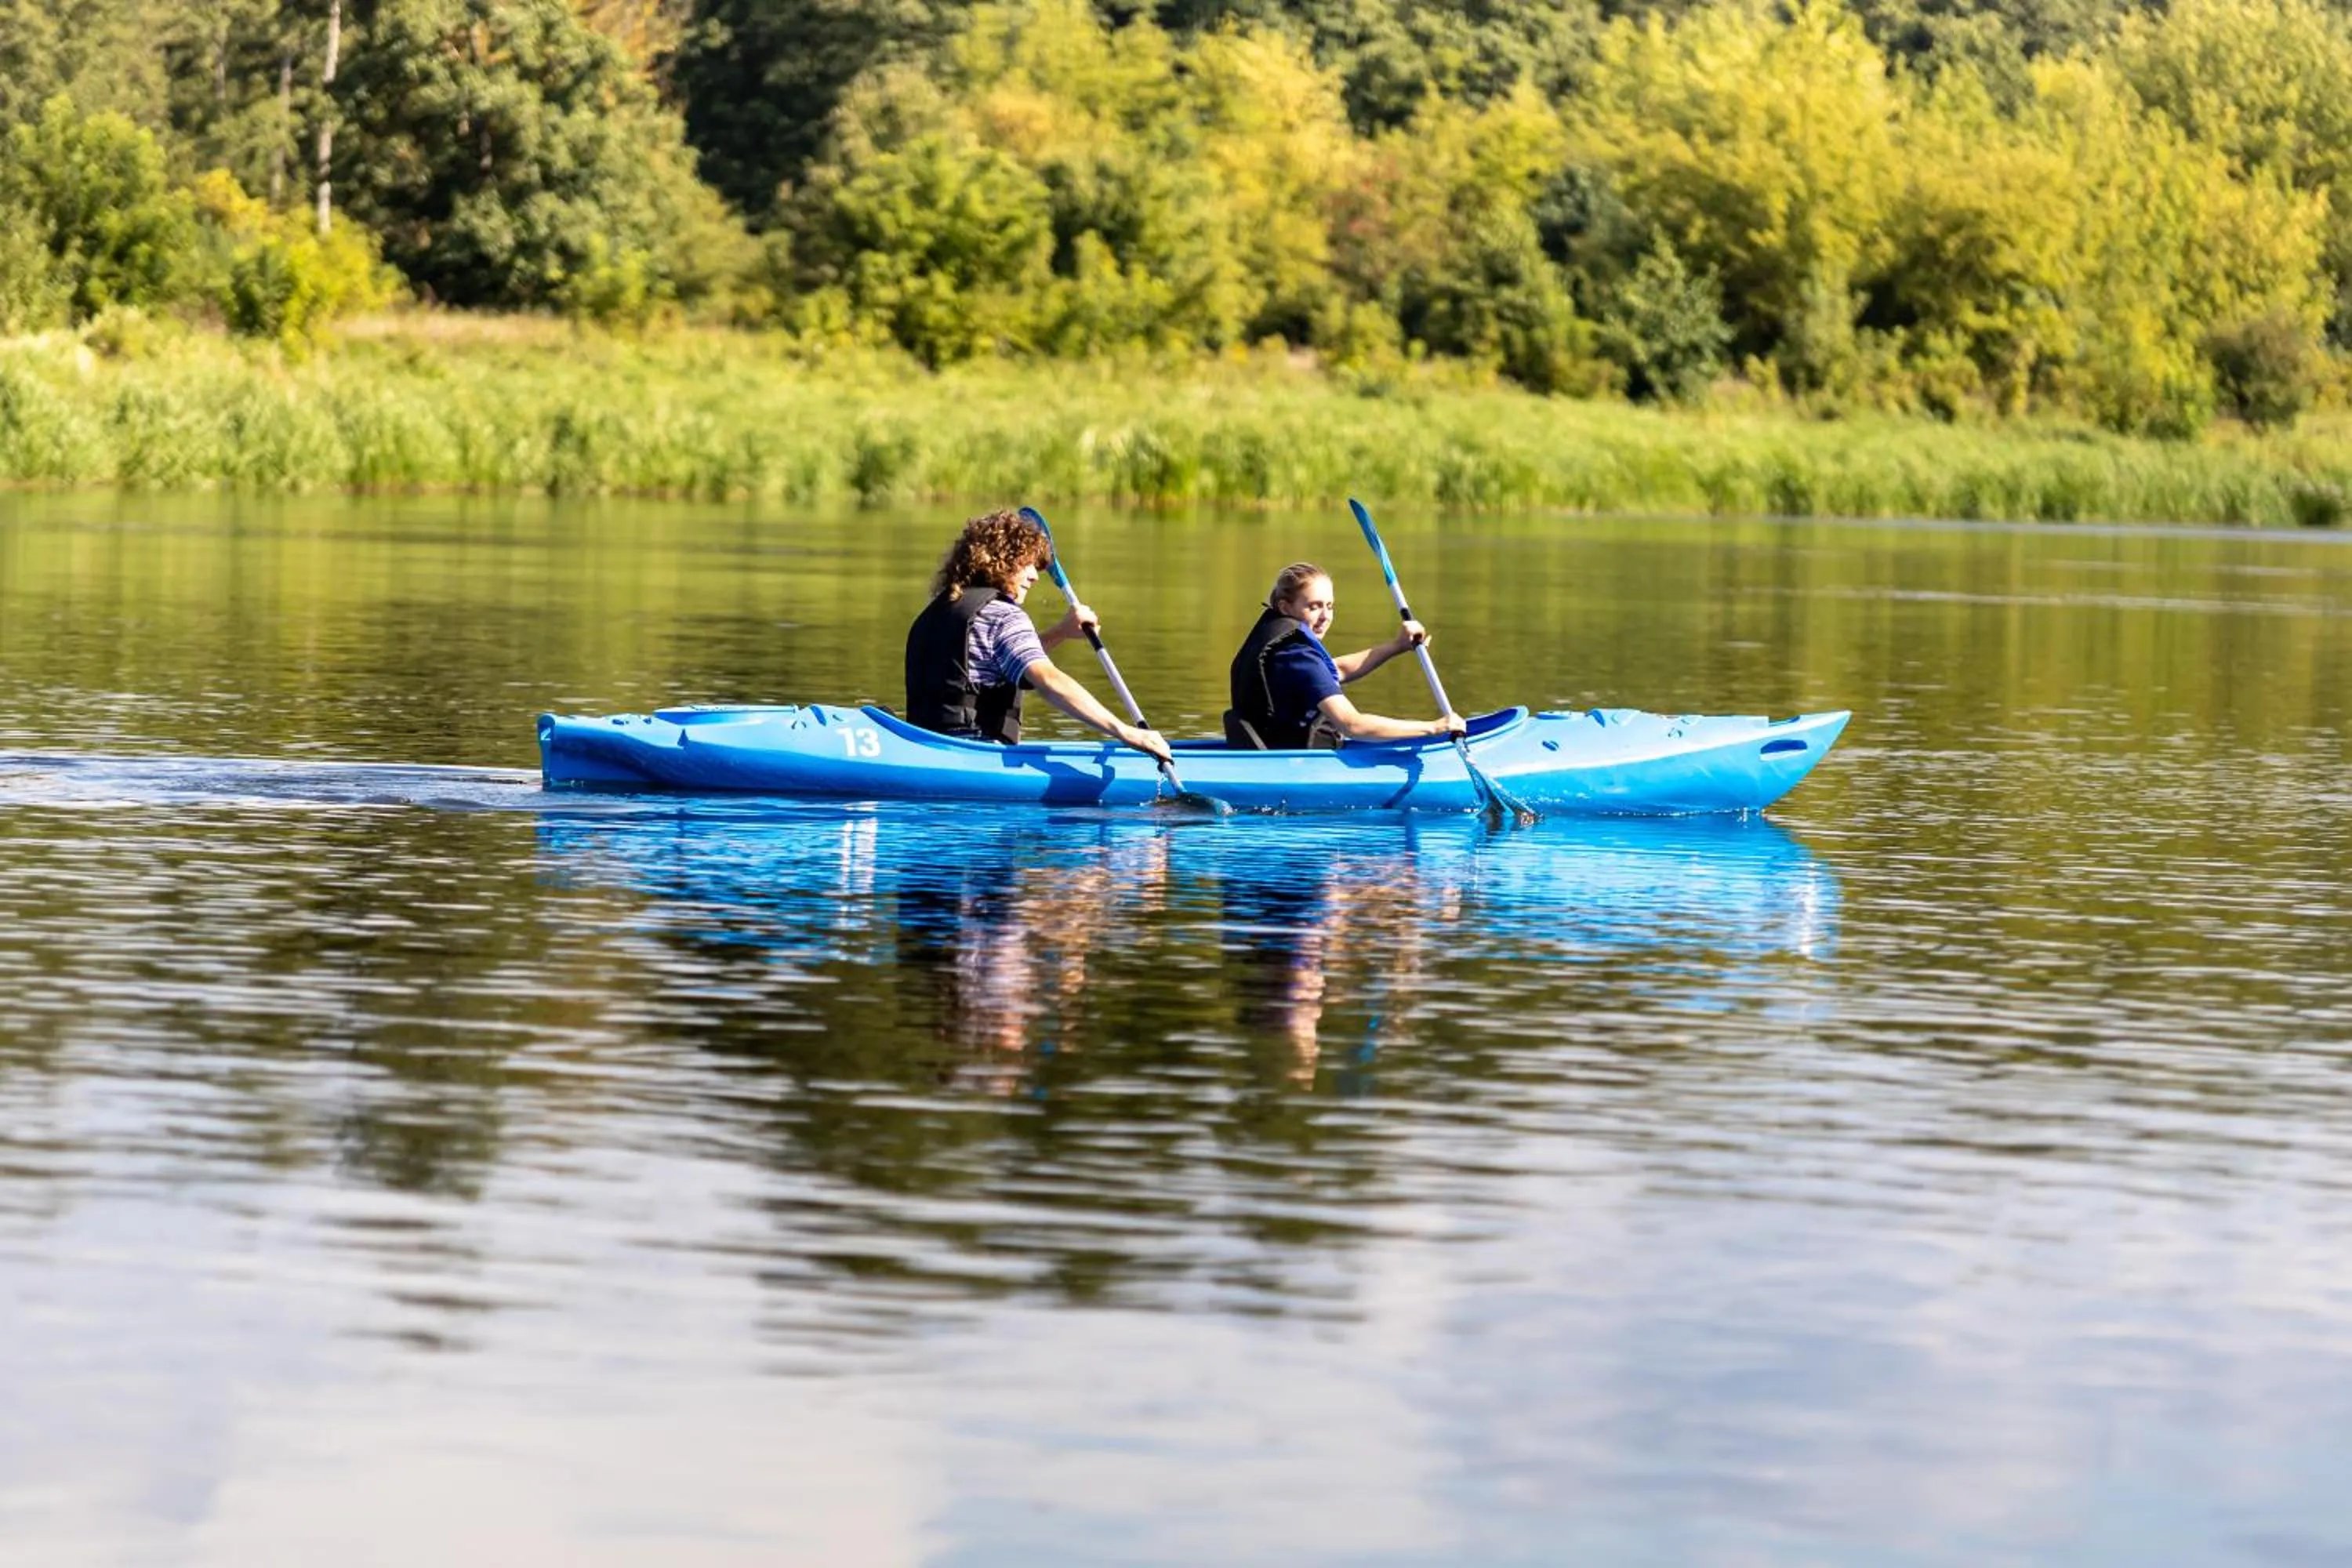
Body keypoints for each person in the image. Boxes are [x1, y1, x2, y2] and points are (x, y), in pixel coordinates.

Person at [905, 509, 1172, 764]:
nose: (1034, 577)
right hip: (978, 753)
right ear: (1002, 561)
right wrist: (1127, 733)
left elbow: (995, 662)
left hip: (924, 747)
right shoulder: (1003, 616)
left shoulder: (937, 611)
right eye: (1027, 564)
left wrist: (1061, 632)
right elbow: (1048, 681)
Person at [1226, 562, 1466, 750]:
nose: (1325, 616)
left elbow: (1336, 670)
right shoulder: (1297, 655)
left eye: (1329, 606)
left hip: (1274, 753)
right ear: (1285, 607)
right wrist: (1434, 728)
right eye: (1314, 606)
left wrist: (1397, 646)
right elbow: (1352, 725)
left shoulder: (1287, 651)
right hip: (1300, 766)